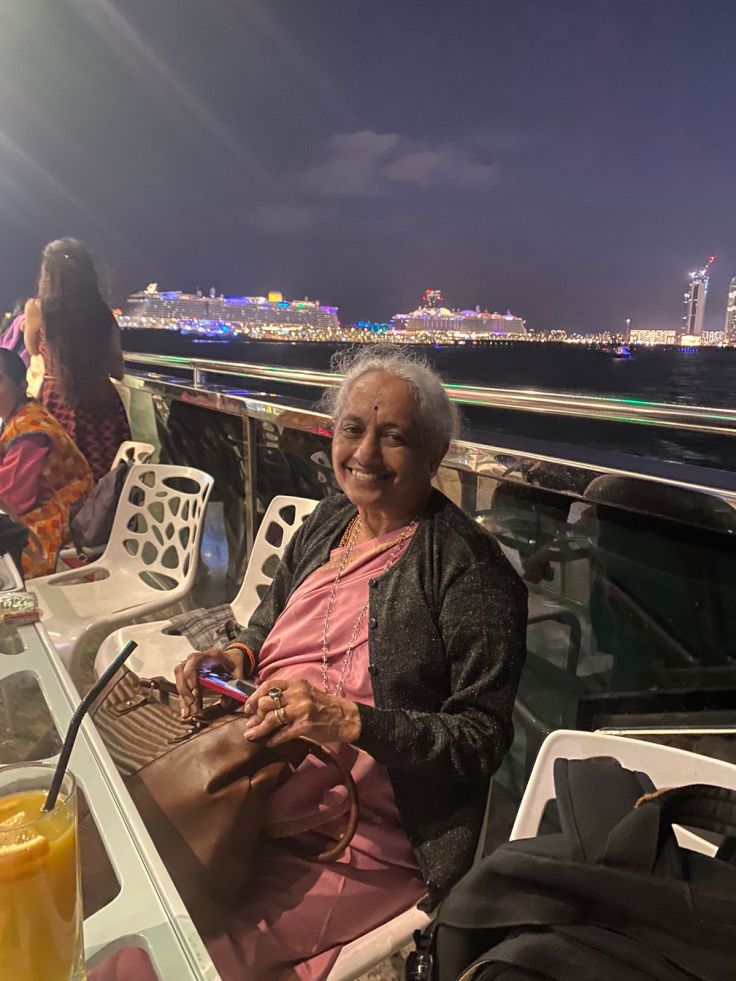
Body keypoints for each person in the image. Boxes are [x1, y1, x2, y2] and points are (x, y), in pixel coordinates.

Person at [93, 347, 528, 981]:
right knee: (115, 901)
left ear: (434, 454)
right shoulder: (329, 520)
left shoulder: (470, 571)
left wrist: (352, 722)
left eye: (394, 437)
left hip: (363, 837)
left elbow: (481, 739)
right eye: (353, 429)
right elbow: (269, 618)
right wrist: (236, 653)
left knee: (161, 961)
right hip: (248, 779)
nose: (366, 454)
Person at [23, 238, 131, 482]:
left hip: (56, 400)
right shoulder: (102, 313)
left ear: (48, 273)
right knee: (105, 475)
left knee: (57, 475)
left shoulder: (37, 308)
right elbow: (117, 369)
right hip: (101, 402)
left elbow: (33, 350)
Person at [0, 349, 93, 577]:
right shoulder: (23, 413)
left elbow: (13, 498)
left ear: (22, 384)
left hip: (52, 524)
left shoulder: (29, 432)